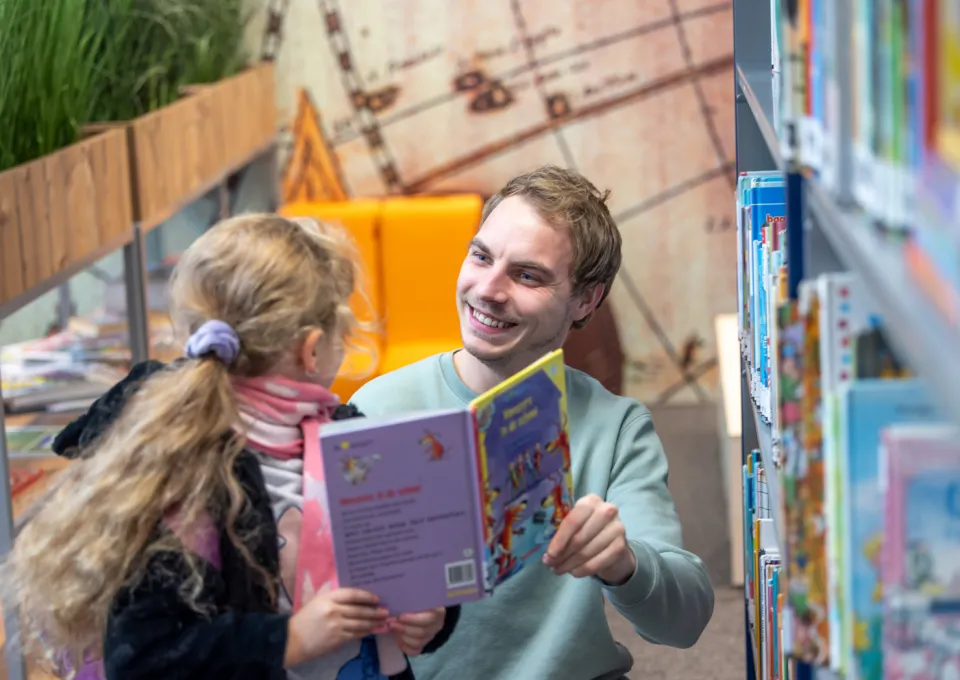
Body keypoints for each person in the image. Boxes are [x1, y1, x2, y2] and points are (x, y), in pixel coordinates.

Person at [5, 214, 458, 680]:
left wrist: (433, 617)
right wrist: (291, 639)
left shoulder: (352, 437)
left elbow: (415, 573)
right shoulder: (189, 465)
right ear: (314, 349)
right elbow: (143, 654)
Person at [349, 166, 715, 680]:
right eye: (480, 256)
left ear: (586, 300)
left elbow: (686, 621)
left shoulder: (616, 428)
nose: (488, 289)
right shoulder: (376, 408)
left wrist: (624, 562)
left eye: (527, 275)